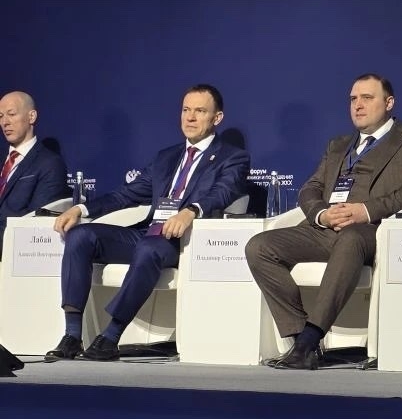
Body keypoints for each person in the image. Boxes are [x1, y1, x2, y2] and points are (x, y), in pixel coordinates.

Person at [45, 84, 250, 362]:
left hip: (182, 242)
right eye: (186, 110)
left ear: (217, 118)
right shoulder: (167, 157)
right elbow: (126, 194)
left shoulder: (232, 157)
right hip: (148, 233)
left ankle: (110, 337)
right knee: (80, 236)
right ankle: (72, 335)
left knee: (149, 248)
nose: (190, 117)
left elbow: (222, 193)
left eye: (200, 111)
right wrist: (81, 208)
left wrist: (190, 211)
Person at [245, 73, 402, 371]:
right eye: (353, 99)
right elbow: (311, 188)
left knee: (350, 238)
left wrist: (366, 210)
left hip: (372, 230)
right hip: (325, 228)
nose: (358, 105)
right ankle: (301, 339)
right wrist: (322, 214)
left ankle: (309, 339)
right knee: (259, 247)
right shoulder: (339, 144)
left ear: (389, 103)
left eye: (367, 98)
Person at [0, 91, 70, 255]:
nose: (5, 122)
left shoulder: (50, 164)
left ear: (31, 117)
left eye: (11, 114)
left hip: (15, 253)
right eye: (1, 116)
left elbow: (35, 226)